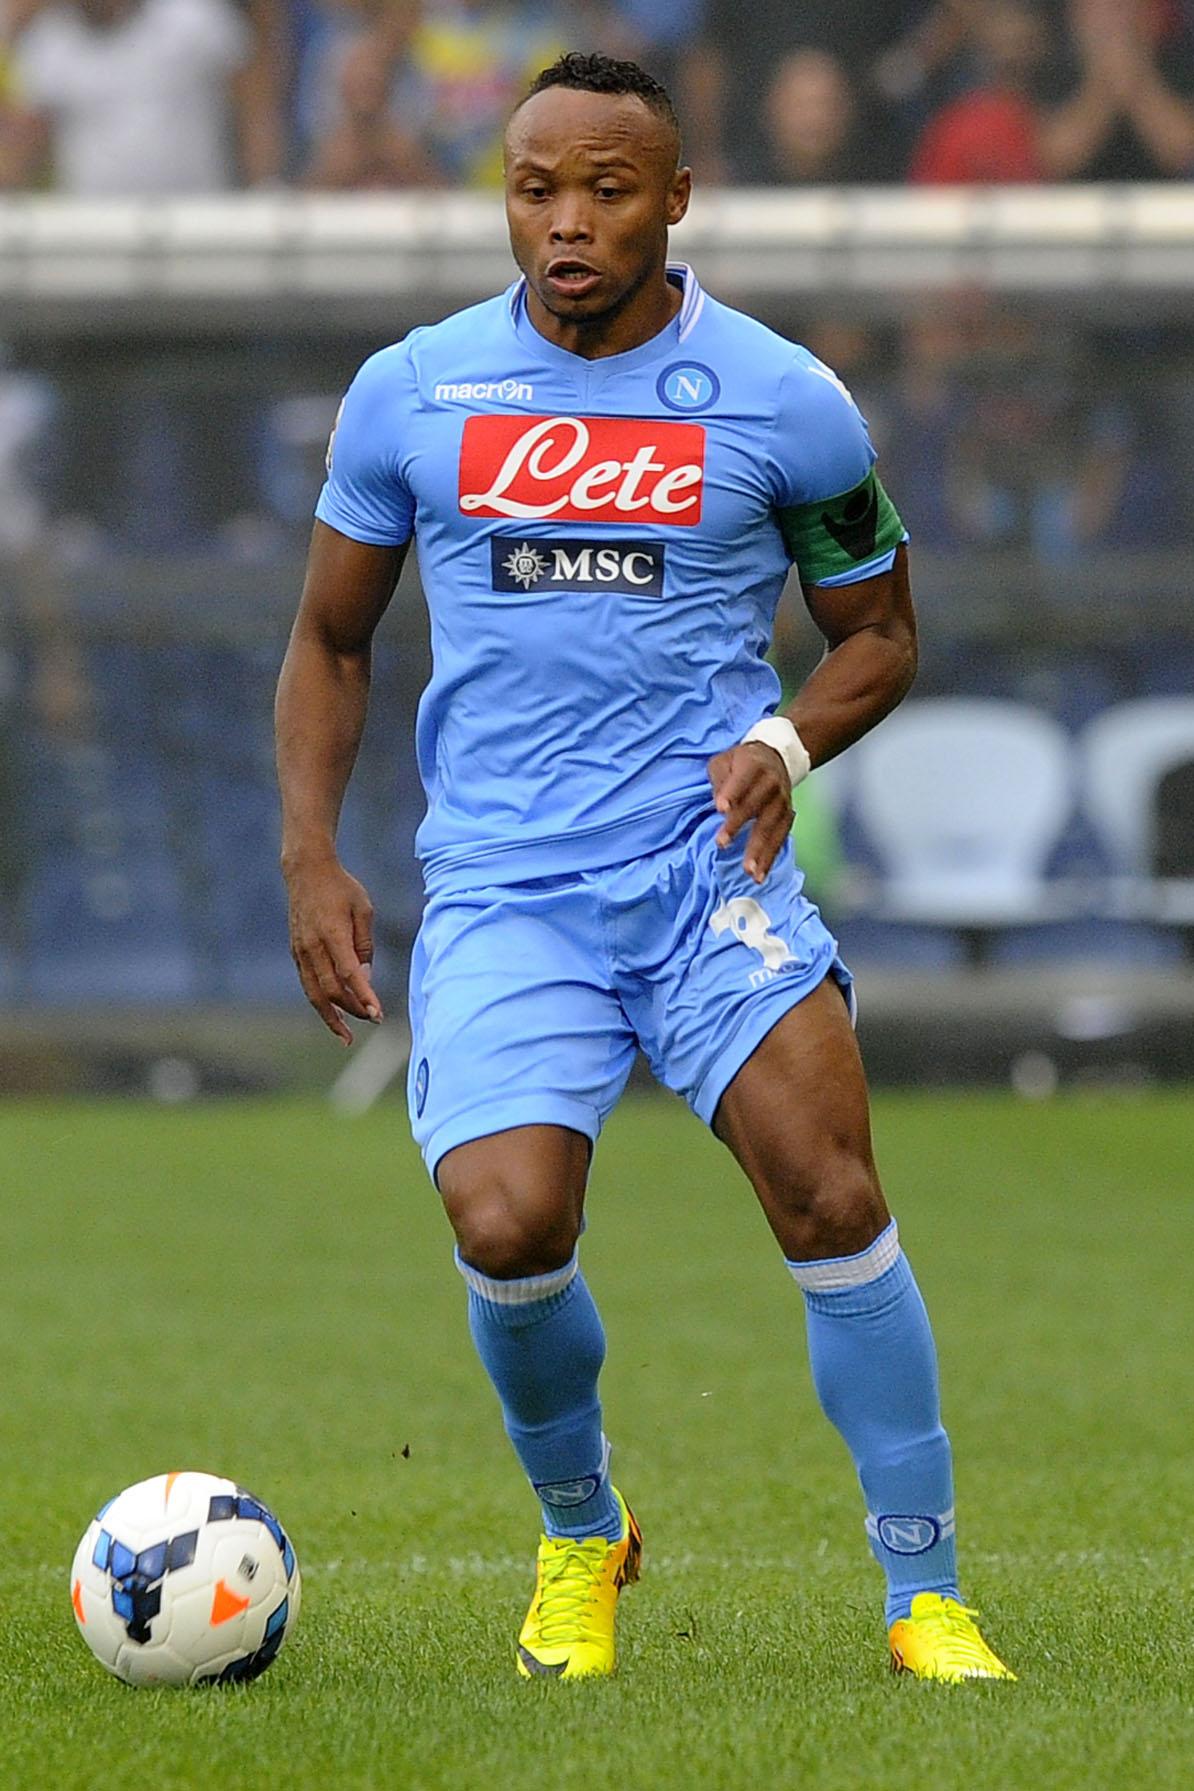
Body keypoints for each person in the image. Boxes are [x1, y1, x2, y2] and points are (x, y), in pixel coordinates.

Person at [276, 50, 1015, 1685]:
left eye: (606, 190)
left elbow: (880, 635)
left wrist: (788, 744)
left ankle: (925, 1597)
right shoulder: (413, 391)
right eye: (535, 189)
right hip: (507, 889)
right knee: (505, 1223)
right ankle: (580, 1532)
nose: (566, 222)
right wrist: (311, 854)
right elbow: (329, 639)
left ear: (674, 200)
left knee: (831, 1194)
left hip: (705, 879)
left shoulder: (784, 398)